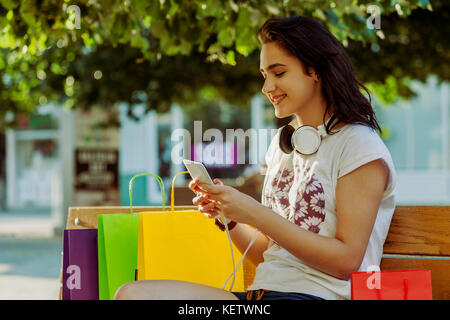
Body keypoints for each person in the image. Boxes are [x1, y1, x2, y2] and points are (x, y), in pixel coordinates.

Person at [114, 15, 396, 300]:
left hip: (319, 296)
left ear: (316, 71)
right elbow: (267, 252)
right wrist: (230, 218)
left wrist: (255, 212)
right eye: (265, 75)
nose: (267, 87)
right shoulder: (281, 145)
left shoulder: (359, 146)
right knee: (132, 294)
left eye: (279, 73)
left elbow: (347, 261)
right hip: (260, 297)